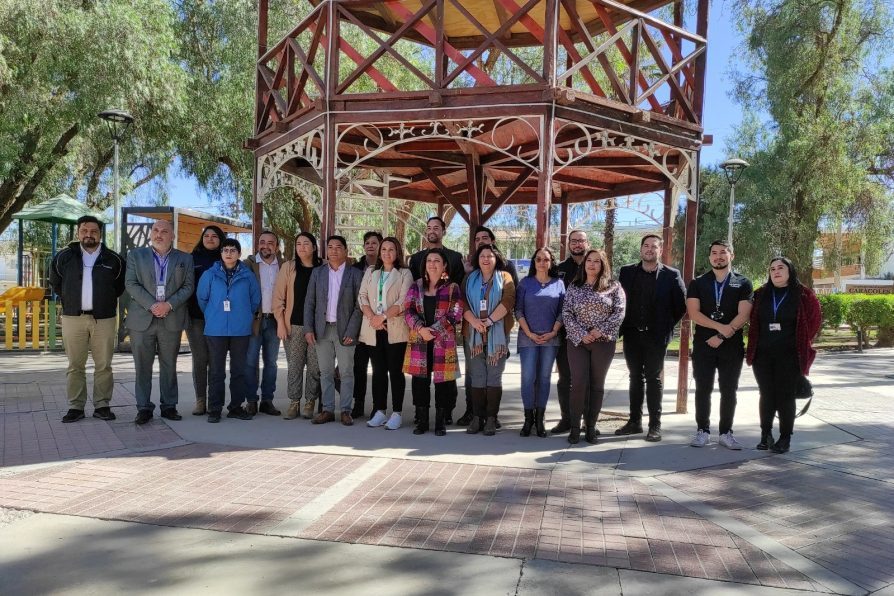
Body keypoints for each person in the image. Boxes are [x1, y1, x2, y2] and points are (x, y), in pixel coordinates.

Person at [50, 215, 125, 423]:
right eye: (84, 231)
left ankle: (102, 405)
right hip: (73, 318)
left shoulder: (114, 259)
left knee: (104, 365)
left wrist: (102, 301)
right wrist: (72, 300)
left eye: (93, 231)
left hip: (104, 319)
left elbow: (118, 287)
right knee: (75, 365)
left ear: (100, 234)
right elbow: (56, 284)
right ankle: (76, 407)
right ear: (78, 232)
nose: (88, 235)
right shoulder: (63, 257)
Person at [746, 257, 821, 454]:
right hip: (762, 355)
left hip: (790, 355)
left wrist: (803, 342)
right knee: (766, 393)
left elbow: (814, 321)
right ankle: (766, 435)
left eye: (781, 268)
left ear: (790, 271)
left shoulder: (803, 294)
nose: (776, 271)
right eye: (772, 269)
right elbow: (753, 321)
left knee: (786, 395)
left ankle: (785, 438)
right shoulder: (761, 294)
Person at [615, 234, 686, 442]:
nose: (649, 249)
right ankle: (634, 422)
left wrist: (664, 326)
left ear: (660, 250)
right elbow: (619, 300)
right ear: (641, 249)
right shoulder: (627, 272)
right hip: (632, 334)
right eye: (646, 246)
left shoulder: (672, 275)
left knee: (654, 379)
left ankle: (655, 425)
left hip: (656, 337)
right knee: (635, 377)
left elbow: (680, 306)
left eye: (653, 247)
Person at [125, 219, 195, 424]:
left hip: (171, 318)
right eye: (155, 230)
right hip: (142, 320)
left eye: (164, 231)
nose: (159, 234)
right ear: (150, 234)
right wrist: (153, 305)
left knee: (169, 365)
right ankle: (143, 408)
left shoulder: (185, 259)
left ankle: (169, 406)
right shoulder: (135, 256)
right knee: (142, 367)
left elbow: (188, 286)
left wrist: (168, 305)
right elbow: (131, 283)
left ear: (172, 235)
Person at [687, 241, 753, 450]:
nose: (718, 257)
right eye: (714, 253)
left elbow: (744, 314)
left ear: (731, 256)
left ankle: (726, 432)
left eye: (723, 253)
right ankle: (703, 431)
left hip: (731, 346)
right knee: (703, 388)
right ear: (709, 258)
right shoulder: (698, 282)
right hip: (704, 344)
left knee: (729, 390)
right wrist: (720, 328)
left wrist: (724, 335)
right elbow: (694, 313)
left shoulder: (743, 282)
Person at [456, 225, 517, 427]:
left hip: (497, 333)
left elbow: (509, 300)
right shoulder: (468, 278)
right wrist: (474, 321)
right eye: (482, 256)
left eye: (490, 256)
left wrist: (489, 321)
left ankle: (491, 418)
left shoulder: (505, 277)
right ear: (477, 259)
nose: (486, 259)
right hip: (473, 333)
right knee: (478, 377)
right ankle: (477, 417)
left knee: (494, 377)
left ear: (495, 258)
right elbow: (461, 301)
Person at [563, 250, 626, 444]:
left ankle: (590, 427)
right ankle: (575, 428)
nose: (591, 264)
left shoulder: (613, 287)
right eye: (589, 261)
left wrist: (599, 331)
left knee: (596, 385)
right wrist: (582, 334)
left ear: (603, 265)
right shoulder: (575, 286)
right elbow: (566, 312)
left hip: (603, 341)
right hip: (578, 341)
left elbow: (619, 312)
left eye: (596, 261)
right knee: (579, 383)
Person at [196, 238, 261, 423]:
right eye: (225, 249)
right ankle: (215, 408)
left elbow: (255, 300)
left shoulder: (248, 275)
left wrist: (244, 315)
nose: (229, 253)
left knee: (238, 370)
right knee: (216, 371)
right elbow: (203, 299)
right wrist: (212, 314)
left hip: (240, 330)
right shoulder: (210, 274)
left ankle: (235, 407)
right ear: (221, 253)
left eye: (233, 250)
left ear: (239, 254)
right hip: (215, 330)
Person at [304, 235, 364, 425]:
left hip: (345, 330)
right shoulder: (318, 273)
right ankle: (327, 410)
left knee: (346, 372)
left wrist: (352, 331)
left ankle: (346, 410)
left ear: (346, 251)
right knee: (326, 372)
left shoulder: (355, 274)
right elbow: (310, 302)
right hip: (322, 330)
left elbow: (359, 305)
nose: (334, 250)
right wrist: (308, 328)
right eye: (330, 247)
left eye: (338, 247)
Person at [404, 249, 463, 436]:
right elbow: (408, 311)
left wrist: (434, 331)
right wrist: (421, 329)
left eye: (437, 260)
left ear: (444, 265)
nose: (432, 264)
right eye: (429, 260)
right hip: (419, 341)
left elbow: (455, 313)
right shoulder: (416, 286)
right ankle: (422, 422)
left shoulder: (452, 288)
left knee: (443, 383)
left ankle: (440, 422)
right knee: (419, 382)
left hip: (442, 343)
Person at [358, 237, 413, 430]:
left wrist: (381, 318)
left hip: (394, 329)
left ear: (397, 252)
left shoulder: (405, 273)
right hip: (374, 329)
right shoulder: (371, 272)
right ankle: (380, 411)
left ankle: (396, 412)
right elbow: (362, 296)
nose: (386, 253)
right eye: (384, 249)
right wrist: (373, 318)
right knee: (378, 372)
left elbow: (404, 301)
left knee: (396, 373)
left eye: (391, 249)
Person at [514, 247, 564, 438]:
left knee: (544, 379)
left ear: (551, 262)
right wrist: (529, 333)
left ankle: (540, 420)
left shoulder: (559, 284)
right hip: (528, 339)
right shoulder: (525, 284)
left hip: (551, 340)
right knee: (528, 379)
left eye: (546, 259)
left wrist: (553, 332)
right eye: (538, 259)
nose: (542, 263)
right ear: (534, 262)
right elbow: (518, 310)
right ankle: (528, 420)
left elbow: (562, 311)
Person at [273, 232, 323, 420]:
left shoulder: (323, 267)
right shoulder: (288, 267)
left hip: (317, 327)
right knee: (294, 366)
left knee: (314, 367)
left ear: (314, 247)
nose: (302, 247)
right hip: (293, 325)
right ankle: (294, 402)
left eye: (306, 243)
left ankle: (310, 401)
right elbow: (278, 298)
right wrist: (280, 322)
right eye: (298, 244)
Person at [550, 230, 589, 433]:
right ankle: (566, 418)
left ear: (587, 243)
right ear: (569, 244)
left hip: (591, 334)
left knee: (587, 379)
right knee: (565, 378)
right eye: (573, 241)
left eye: (580, 241)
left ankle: (586, 421)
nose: (577, 244)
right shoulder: (559, 270)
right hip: (564, 332)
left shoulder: (596, 265)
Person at [186, 225, 224, 416]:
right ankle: (200, 400)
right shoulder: (191, 259)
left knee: (216, 361)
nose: (210, 239)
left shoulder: (226, 259)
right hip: (196, 318)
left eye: (214, 236)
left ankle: (214, 401)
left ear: (221, 239)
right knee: (200, 359)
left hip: (220, 320)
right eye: (206, 236)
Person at [243, 230, 283, 416]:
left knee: (271, 363)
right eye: (262, 242)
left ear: (277, 246)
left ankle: (267, 400)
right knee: (250, 362)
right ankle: (251, 400)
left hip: (275, 321)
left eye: (270, 243)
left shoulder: (283, 266)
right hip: (254, 321)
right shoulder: (247, 265)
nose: (265, 246)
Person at [351, 230, 383, 419]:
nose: (370, 246)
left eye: (374, 243)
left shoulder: (386, 267)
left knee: (379, 368)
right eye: (367, 243)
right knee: (358, 367)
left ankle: (377, 406)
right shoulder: (355, 268)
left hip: (380, 324)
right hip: (359, 324)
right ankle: (358, 403)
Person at [408, 216, 465, 286]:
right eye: (429, 228)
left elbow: (457, 284)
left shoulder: (455, 257)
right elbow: (414, 284)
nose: (431, 231)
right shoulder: (416, 258)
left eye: (436, 228)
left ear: (444, 232)